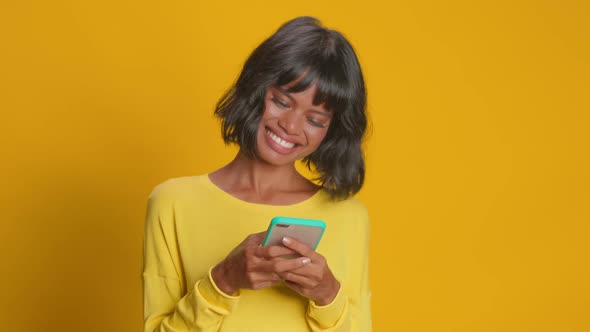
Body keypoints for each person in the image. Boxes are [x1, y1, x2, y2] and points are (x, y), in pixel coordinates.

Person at [142, 16, 371, 332]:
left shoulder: (350, 217)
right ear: (256, 88)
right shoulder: (172, 203)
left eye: (315, 120)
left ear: (331, 132)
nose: (290, 126)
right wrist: (224, 280)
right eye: (281, 101)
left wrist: (327, 294)